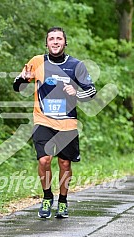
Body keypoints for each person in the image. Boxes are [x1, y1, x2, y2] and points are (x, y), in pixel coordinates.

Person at [13, 27, 96, 218]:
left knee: (65, 164)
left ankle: (63, 201)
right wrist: (23, 80)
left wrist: (76, 93)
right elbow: (17, 86)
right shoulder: (37, 61)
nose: (55, 42)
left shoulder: (76, 65)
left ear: (65, 43)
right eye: (52, 39)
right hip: (43, 120)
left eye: (59, 38)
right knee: (44, 159)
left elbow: (91, 93)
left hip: (67, 123)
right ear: (47, 43)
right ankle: (47, 197)